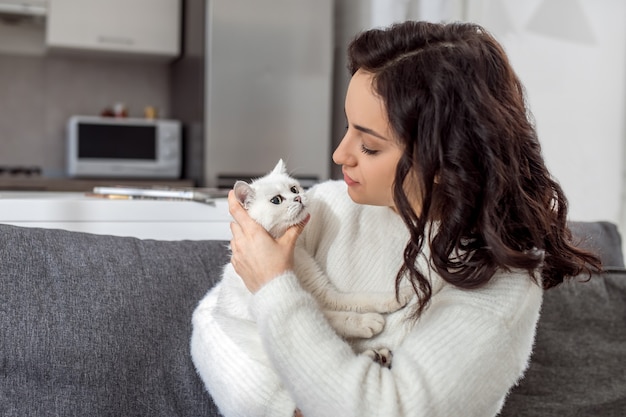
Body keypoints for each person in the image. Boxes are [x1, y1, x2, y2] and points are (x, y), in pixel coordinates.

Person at [190, 20, 601, 417]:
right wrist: (286, 408)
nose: (339, 155)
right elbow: (214, 322)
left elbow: (385, 410)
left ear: (445, 160)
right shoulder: (327, 206)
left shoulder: (497, 281)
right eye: (347, 127)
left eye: (368, 145)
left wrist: (273, 286)